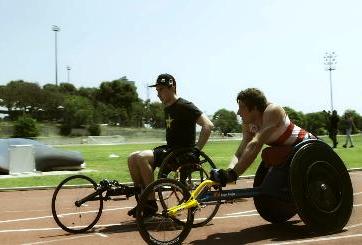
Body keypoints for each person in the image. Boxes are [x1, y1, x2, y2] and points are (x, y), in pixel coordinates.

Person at [127, 73, 214, 217]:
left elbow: (208, 125)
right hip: (170, 149)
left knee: (142, 157)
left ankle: (150, 203)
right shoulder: (168, 106)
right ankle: (142, 199)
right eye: (157, 91)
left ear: (172, 87)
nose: (158, 94)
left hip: (181, 152)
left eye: (161, 90)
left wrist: (197, 150)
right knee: (132, 157)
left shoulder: (185, 106)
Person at [210, 88, 316, 186]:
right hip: (288, 152)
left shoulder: (272, 111)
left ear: (255, 108)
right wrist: (228, 172)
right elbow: (241, 152)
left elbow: (255, 144)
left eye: (242, 107)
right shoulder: (247, 122)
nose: (238, 112)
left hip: (310, 147)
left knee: (269, 154)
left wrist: (233, 175)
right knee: (269, 155)